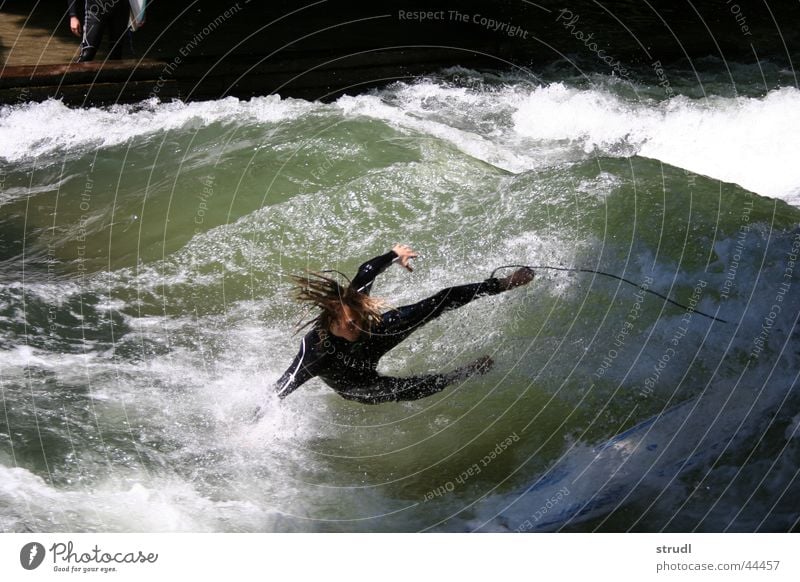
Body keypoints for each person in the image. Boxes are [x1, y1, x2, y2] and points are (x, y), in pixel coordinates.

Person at [272, 244, 534, 405]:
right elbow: (281, 388)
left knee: (442, 300)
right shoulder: (316, 351)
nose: (358, 327)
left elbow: (366, 271)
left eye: (359, 319)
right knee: (412, 388)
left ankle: (503, 283)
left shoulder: (355, 305)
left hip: (377, 338)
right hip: (357, 385)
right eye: (351, 325)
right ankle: (463, 373)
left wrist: (394, 254)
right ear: (333, 322)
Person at [67, 0, 132, 62]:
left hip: (121, 9)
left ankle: (113, 73)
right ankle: (74, 73)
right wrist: (73, 15)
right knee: (87, 54)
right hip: (95, 10)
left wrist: (140, 13)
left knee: (116, 54)